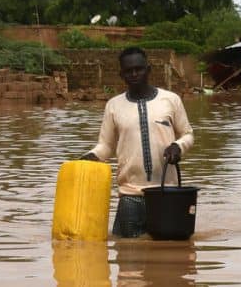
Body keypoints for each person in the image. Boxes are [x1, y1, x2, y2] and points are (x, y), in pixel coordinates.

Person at [80, 47, 194, 238]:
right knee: (127, 255)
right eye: (128, 71)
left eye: (139, 69)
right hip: (130, 195)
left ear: (148, 70)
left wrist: (178, 146)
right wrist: (92, 156)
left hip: (166, 194)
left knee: (169, 258)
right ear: (121, 74)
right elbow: (106, 146)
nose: (134, 74)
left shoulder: (170, 100)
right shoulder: (114, 106)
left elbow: (188, 134)